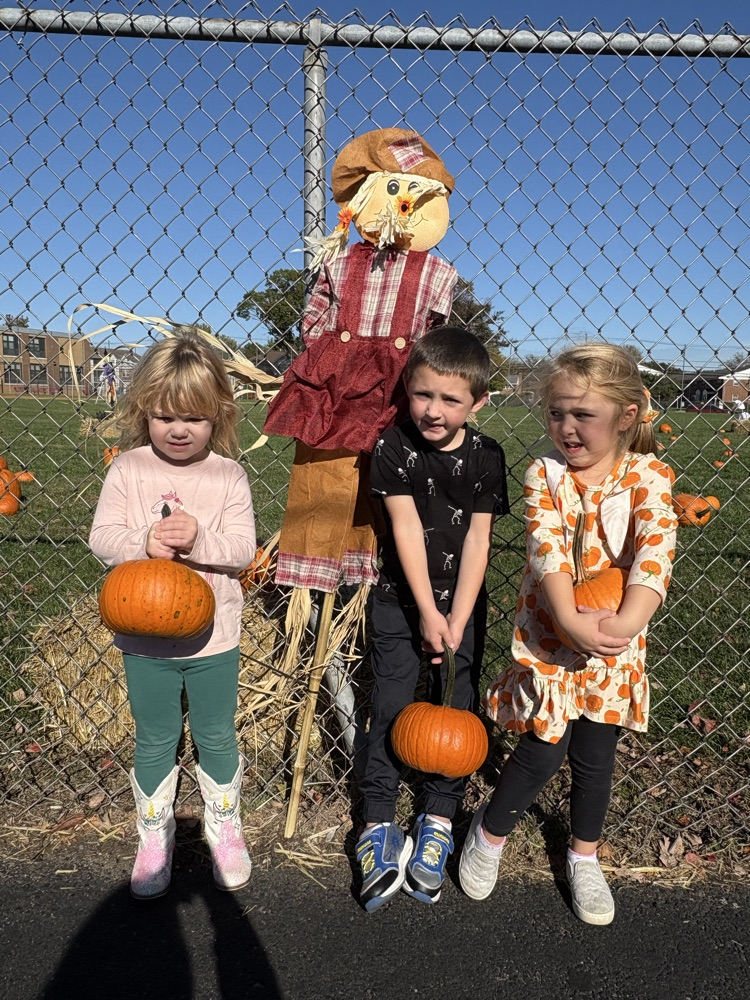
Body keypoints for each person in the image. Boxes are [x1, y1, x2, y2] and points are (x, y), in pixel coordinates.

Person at [459, 343, 677, 926]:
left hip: (614, 638)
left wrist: (629, 621)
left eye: (583, 415)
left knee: (596, 758)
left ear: (626, 415)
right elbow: (548, 552)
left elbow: (655, 552)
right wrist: (570, 620)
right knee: (540, 750)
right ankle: (490, 834)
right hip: (554, 636)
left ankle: (584, 857)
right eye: (557, 413)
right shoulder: (545, 475)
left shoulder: (649, 476)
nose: (567, 428)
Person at [89, 332, 256, 900]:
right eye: (165, 416)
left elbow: (242, 550)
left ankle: (223, 822)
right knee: (155, 736)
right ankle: (153, 832)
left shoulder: (229, 476)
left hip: (215, 639)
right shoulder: (127, 470)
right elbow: (102, 539)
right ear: (144, 412)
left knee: (215, 733)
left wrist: (200, 537)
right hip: (144, 638)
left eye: (193, 417)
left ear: (218, 417)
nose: (178, 429)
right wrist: (144, 539)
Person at [355, 326, 509, 912]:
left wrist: (456, 618)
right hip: (400, 599)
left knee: (455, 711)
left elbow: (478, 541)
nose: (433, 410)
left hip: (463, 604)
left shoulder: (486, 456)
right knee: (391, 706)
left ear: (478, 403)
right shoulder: (393, 447)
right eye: (423, 395)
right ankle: (376, 825)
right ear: (407, 391)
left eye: (450, 399)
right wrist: (426, 611)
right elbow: (405, 531)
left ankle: (439, 819)